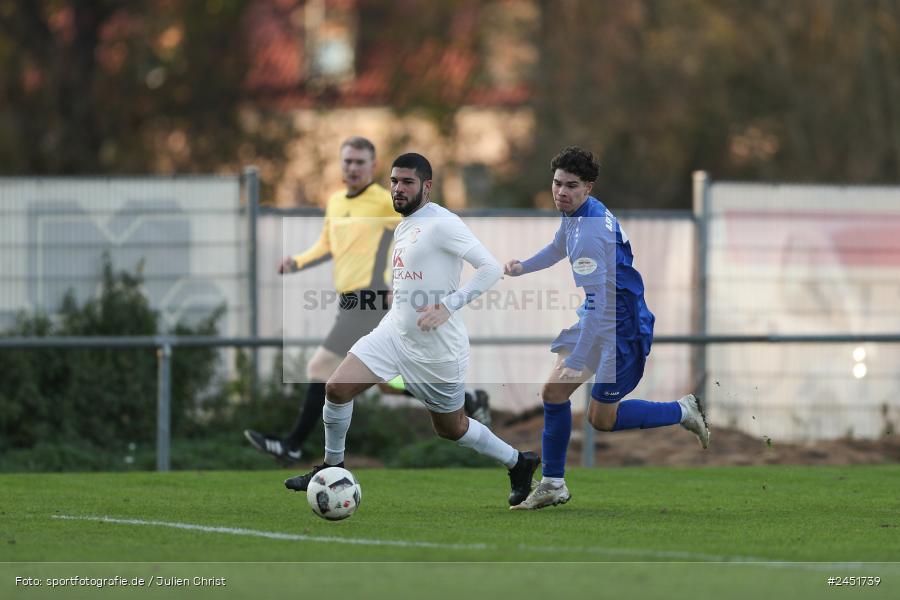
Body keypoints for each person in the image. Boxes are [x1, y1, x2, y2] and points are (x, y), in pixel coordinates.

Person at [284, 153, 540, 506]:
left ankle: (519, 462)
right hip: (394, 335)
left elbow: (490, 268)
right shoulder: (406, 223)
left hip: (437, 349)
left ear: (427, 186)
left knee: (450, 429)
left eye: (407, 182)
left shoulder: (443, 223)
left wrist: (447, 306)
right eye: (393, 181)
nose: (398, 189)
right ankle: (331, 468)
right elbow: (416, 271)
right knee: (337, 388)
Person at [245, 138, 493, 464]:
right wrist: (298, 262)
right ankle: (466, 398)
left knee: (321, 367)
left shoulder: (383, 200)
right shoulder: (335, 201)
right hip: (348, 300)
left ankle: (293, 445)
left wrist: (395, 283)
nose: (352, 168)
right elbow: (327, 244)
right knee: (386, 383)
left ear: (373, 167)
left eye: (360, 162)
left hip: (372, 296)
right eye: (347, 161)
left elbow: (410, 239)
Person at [504, 146, 709, 510]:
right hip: (600, 316)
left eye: (571, 186)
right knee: (554, 394)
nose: (561, 192)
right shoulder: (576, 216)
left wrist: (580, 354)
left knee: (602, 419)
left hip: (620, 327)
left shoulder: (588, 233)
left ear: (589, 188)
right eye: (556, 184)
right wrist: (524, 267)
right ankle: (553, 484)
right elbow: (556, 247)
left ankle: (682, 411)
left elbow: (601, 307)